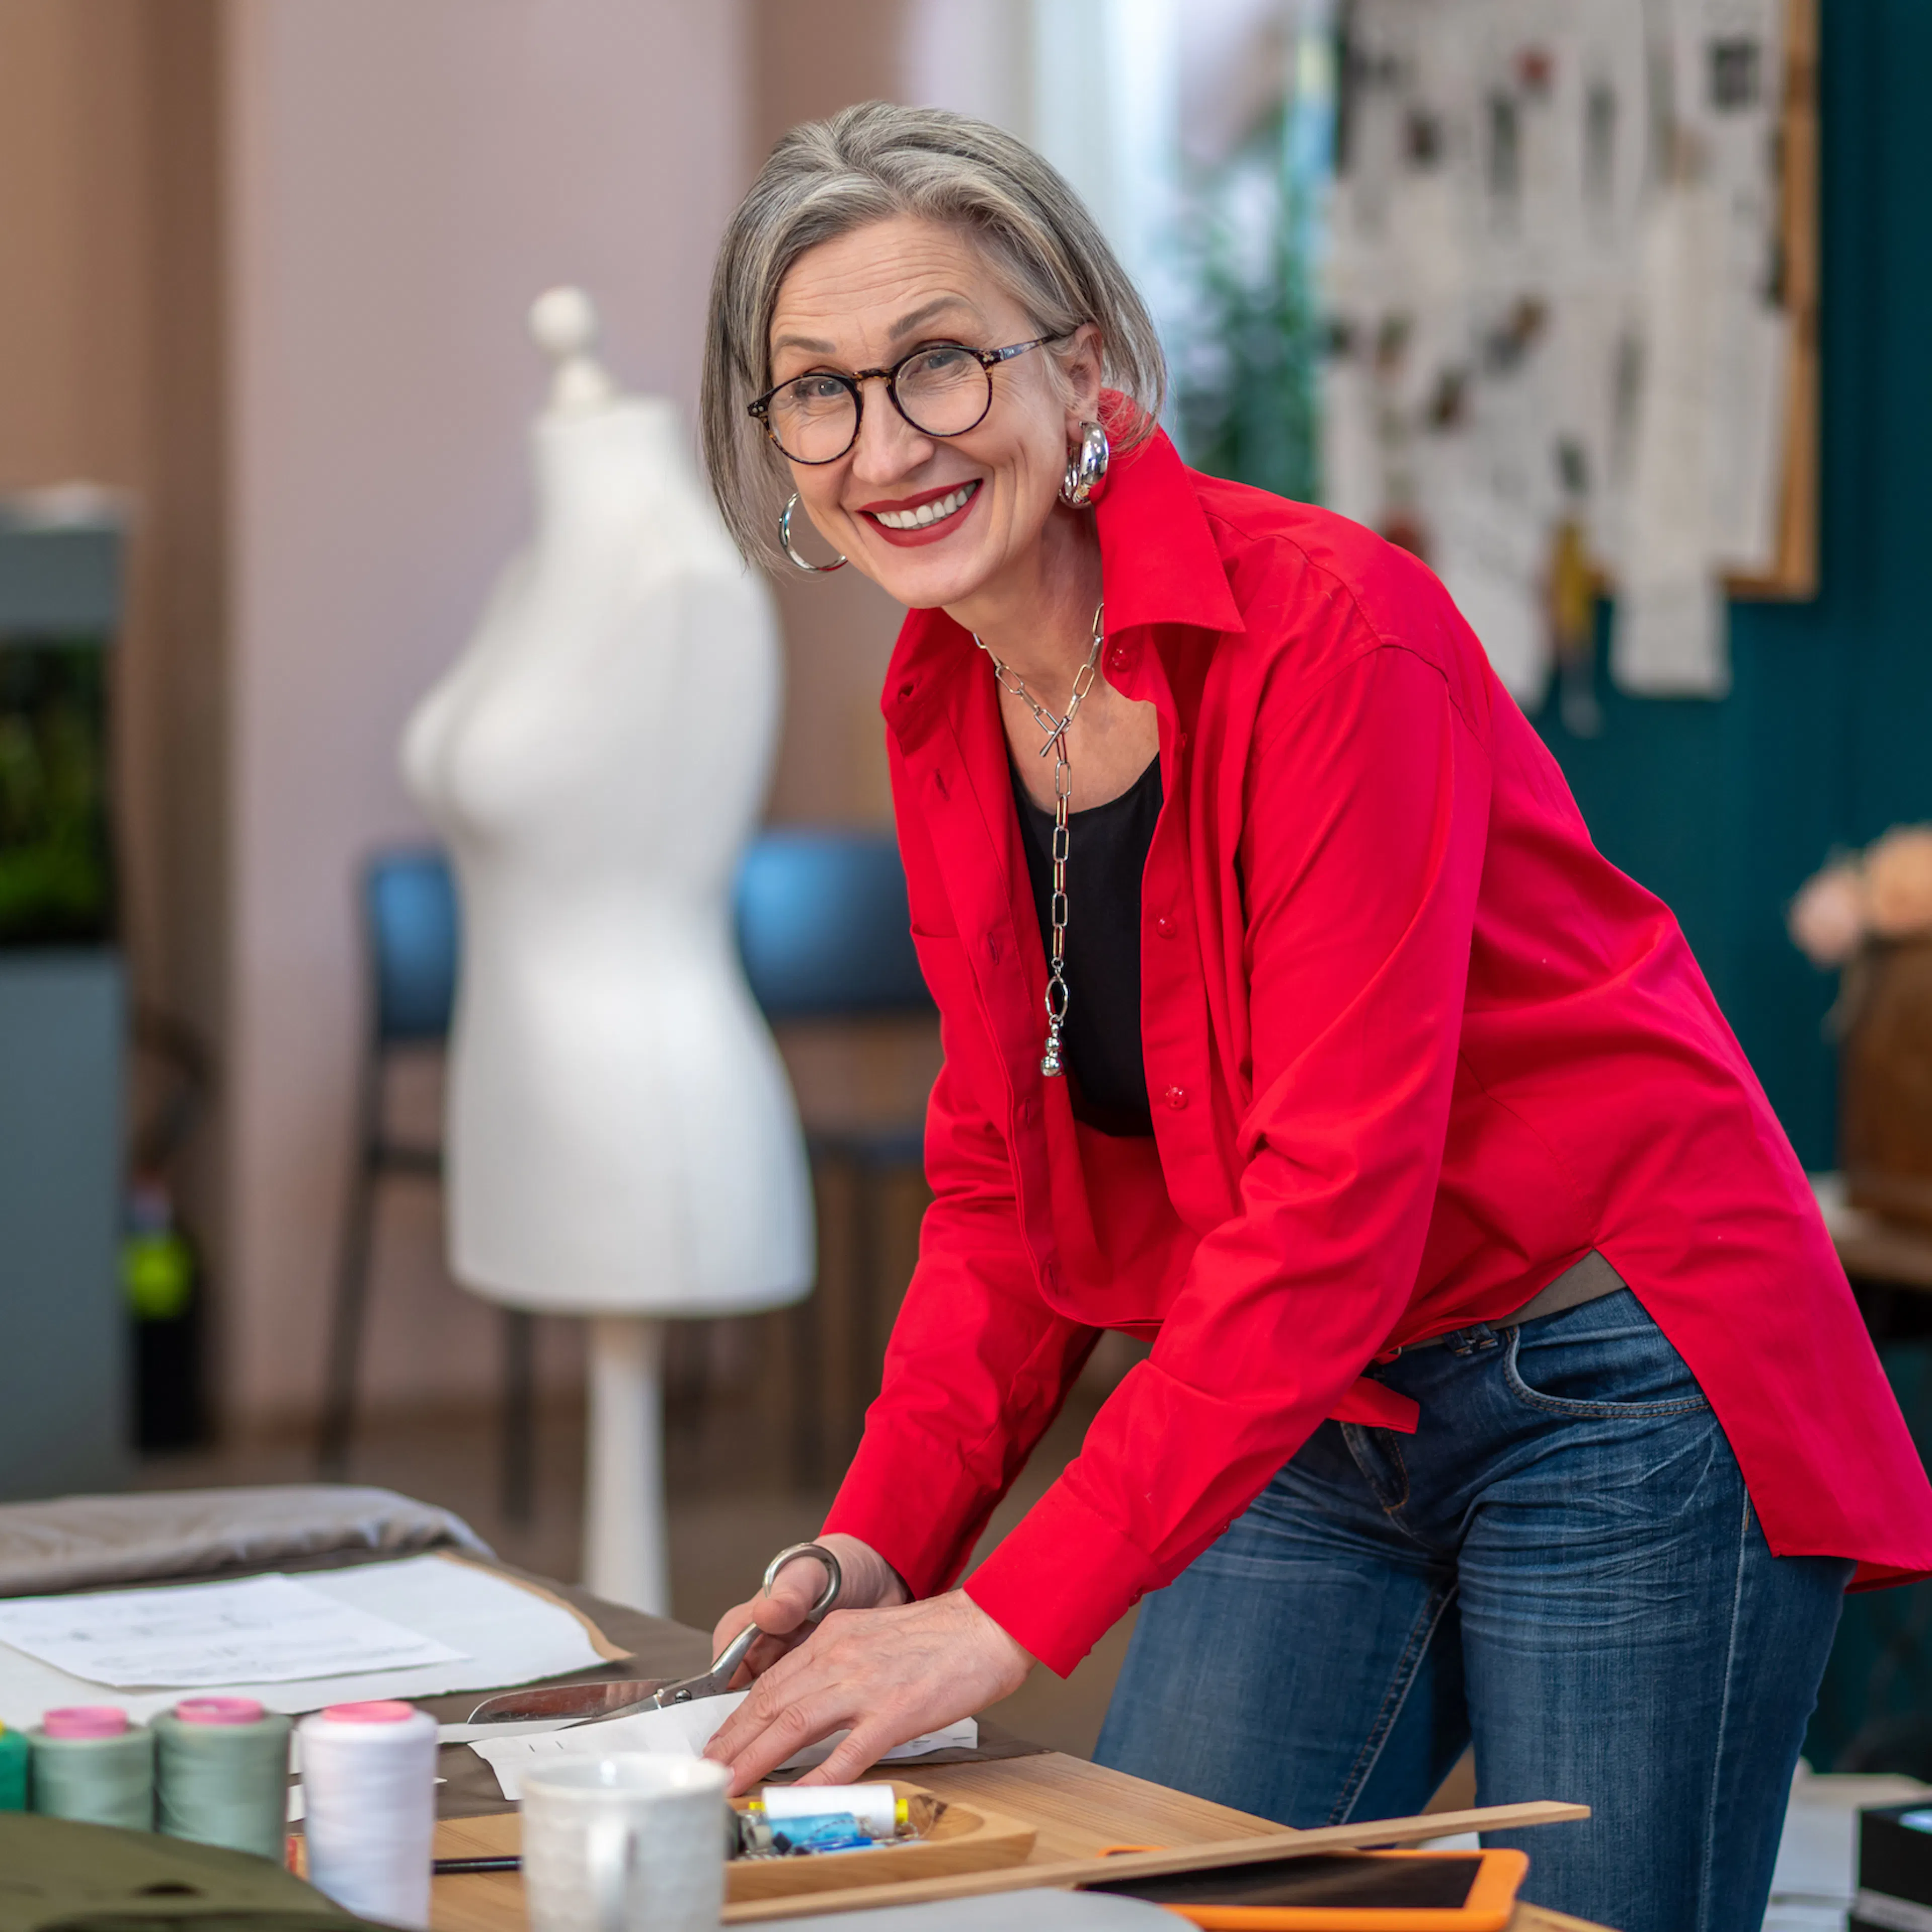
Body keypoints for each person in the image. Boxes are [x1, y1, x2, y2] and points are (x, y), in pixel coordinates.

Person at [691, 102, 1932, 1932]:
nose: (884, 445)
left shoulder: (1338, 638)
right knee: (1176, 1912)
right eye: (818, 391)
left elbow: (1334, 1203)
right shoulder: (950, 696)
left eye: (941, 363)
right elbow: (1000, 1195)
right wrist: (881, 1546)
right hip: (1310, 1390)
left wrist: (1010, 1613)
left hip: (1613, 1378)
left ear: (1083, 366)